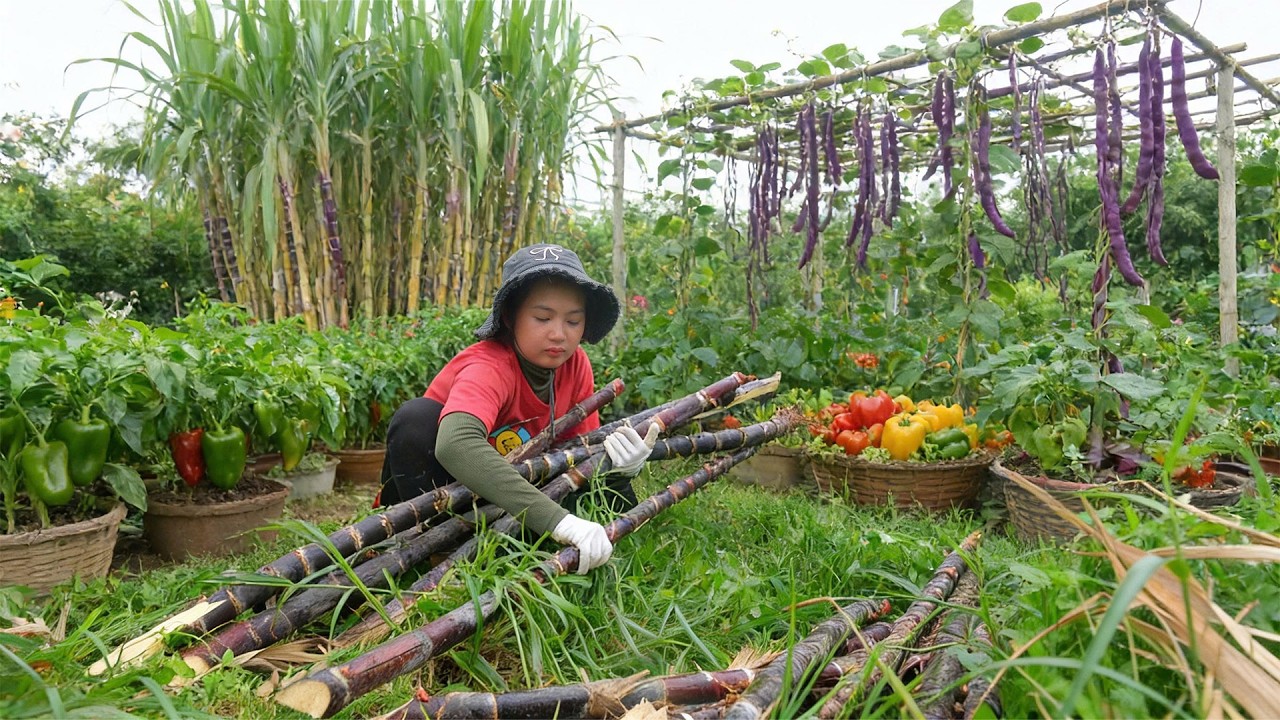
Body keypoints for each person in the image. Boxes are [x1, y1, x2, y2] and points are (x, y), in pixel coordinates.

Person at [377, 243, 658, 574]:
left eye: (573, 321)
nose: (559, 334)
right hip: (444, 492)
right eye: (542, 318)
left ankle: (502, 537)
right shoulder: (489, 365)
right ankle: (433, 548)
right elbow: (456, 445)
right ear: (510, 317)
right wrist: (559, 522)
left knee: (608, 504)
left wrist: (621, 470)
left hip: (513, 493)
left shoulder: (575, 365)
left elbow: (581, 457)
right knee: (416, 419)